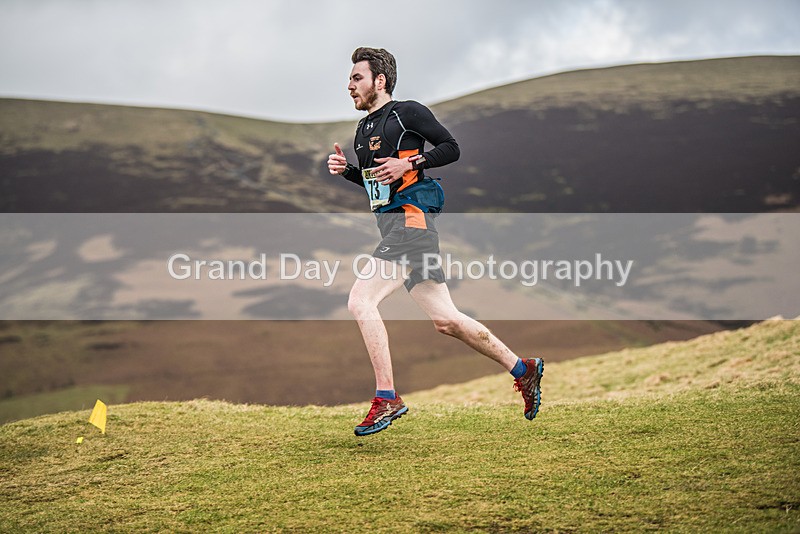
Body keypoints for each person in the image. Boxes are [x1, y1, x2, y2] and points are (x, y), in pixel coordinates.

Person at [327, 47, 543, 436]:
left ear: (380, 81)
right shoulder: (363, 131)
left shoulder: (407, 113)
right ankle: (523, 369)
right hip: (398, 226)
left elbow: (451, 148)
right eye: (349, 78)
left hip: (411, 224)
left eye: (356, 77)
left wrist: (409, 163)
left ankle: (387, 396)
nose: (349, 84)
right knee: (447, 320)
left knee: (361, 300)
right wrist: (348, 173)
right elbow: (378, 182)